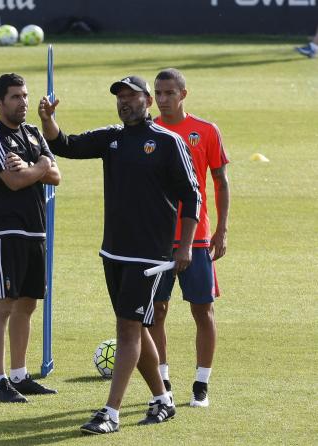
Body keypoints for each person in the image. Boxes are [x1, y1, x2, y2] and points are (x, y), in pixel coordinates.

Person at [38, 75, 201, 433]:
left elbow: (192, 196)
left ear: (148, 101)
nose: (124, 102)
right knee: (137, 327)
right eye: (120, 97)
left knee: (127, 328)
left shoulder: (168, 142)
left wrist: (185, 245)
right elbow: (65, 145)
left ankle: (110, 413)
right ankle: (163, 399)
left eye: (132, 96)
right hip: (113, 251)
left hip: (149, 256)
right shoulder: (112, 137)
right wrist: (48, 119)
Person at [0, 73, 61, 403]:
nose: (23, 102)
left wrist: (33, 166)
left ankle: (19, 375)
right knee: (3, 305)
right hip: (7, 231)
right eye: (15, 97)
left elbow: (56, 175)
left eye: (25, 96)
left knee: (27, 304)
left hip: (36, 230)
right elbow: (13, 182)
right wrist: (39, 164)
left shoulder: (33, 132)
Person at [150, 68, 230, 408]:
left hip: (197, 237)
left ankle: (201, 384)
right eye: (159, 93)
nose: (163, 99)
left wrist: (221, 229)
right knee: (156, 311)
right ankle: (163, 380)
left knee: (203, 311)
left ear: (184, 94)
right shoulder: (147, 131)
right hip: (156, 238)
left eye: (170, 93)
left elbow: (221, 182)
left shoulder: (206, 131)